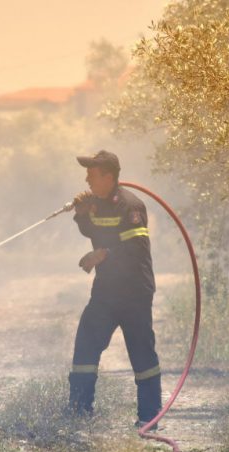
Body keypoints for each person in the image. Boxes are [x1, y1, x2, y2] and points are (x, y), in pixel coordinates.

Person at [68, 149, 162, 428]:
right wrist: (82, 215)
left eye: (92, 174)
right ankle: (79, 413)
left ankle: (149, 419)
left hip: (134, 292)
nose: (87, 179)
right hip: (106, 292)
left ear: (109, 177)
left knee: (142, 353)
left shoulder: (130, 206)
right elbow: (93, 232)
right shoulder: (98, 204)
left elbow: (136, 248)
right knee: (86, 344)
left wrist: (103, 254)